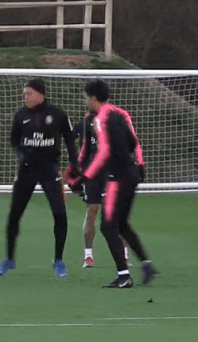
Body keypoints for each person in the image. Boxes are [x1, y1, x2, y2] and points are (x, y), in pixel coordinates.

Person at [69, 79, 156, 288]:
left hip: (118, 178)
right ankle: (146, 263)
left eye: (86, 98)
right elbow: (133, 141)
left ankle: (124, 276)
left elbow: (104, 152)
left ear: (93, 98)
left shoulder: (100, 118)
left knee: (108, 226)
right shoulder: (117, 114)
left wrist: (83, 177)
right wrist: (139, 165)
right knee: (122, 224)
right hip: (130, 174)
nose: (86, 102)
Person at [0, 79, 79, 278]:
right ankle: (9, 259)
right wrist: (22, 154)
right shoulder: (21, 116)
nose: (26, 98)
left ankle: (59, 261)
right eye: (25, 94)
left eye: (29, 94)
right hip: (27, 171)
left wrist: (75, 165)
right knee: (15, 214)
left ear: (40, 94)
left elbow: (69, 141)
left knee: (60, 213)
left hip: (50, 171)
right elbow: (14, 140)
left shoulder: (57, 115)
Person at [74, 112, 129, 268]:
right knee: (93, 210)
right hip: (93, 174)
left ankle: (124, 255)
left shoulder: (114, 121)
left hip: (112, 172)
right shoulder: (86, 122)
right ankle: (88, 256)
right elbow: (73, 139)